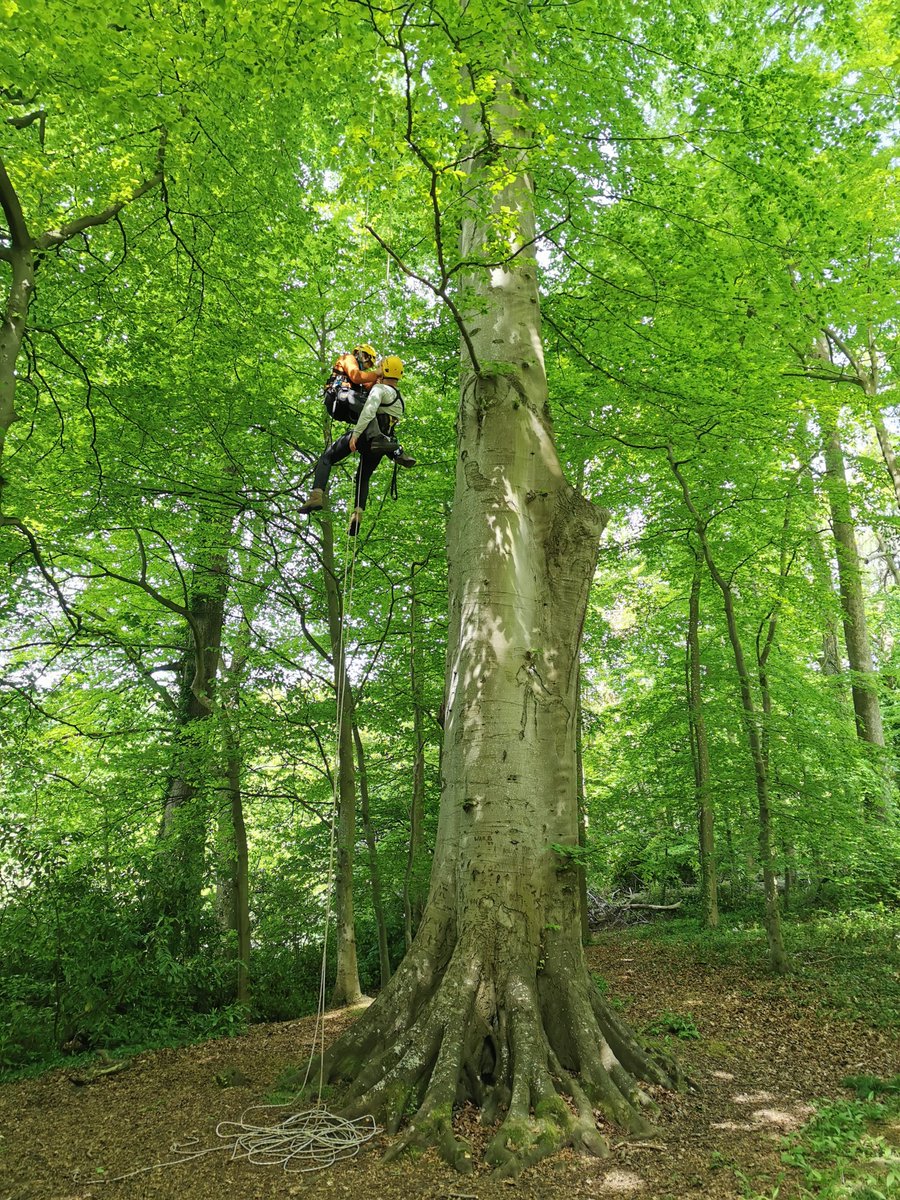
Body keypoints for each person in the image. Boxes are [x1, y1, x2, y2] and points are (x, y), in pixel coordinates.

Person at [299, 355, 413, 536]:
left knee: (327, 457)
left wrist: (357, 434)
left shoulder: (380, 390)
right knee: (363, 477)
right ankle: (358, 514)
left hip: (367, 437)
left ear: (384, 371)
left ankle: (316, 495)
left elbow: (368, 411)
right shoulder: (401, 399)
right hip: (380, 446)